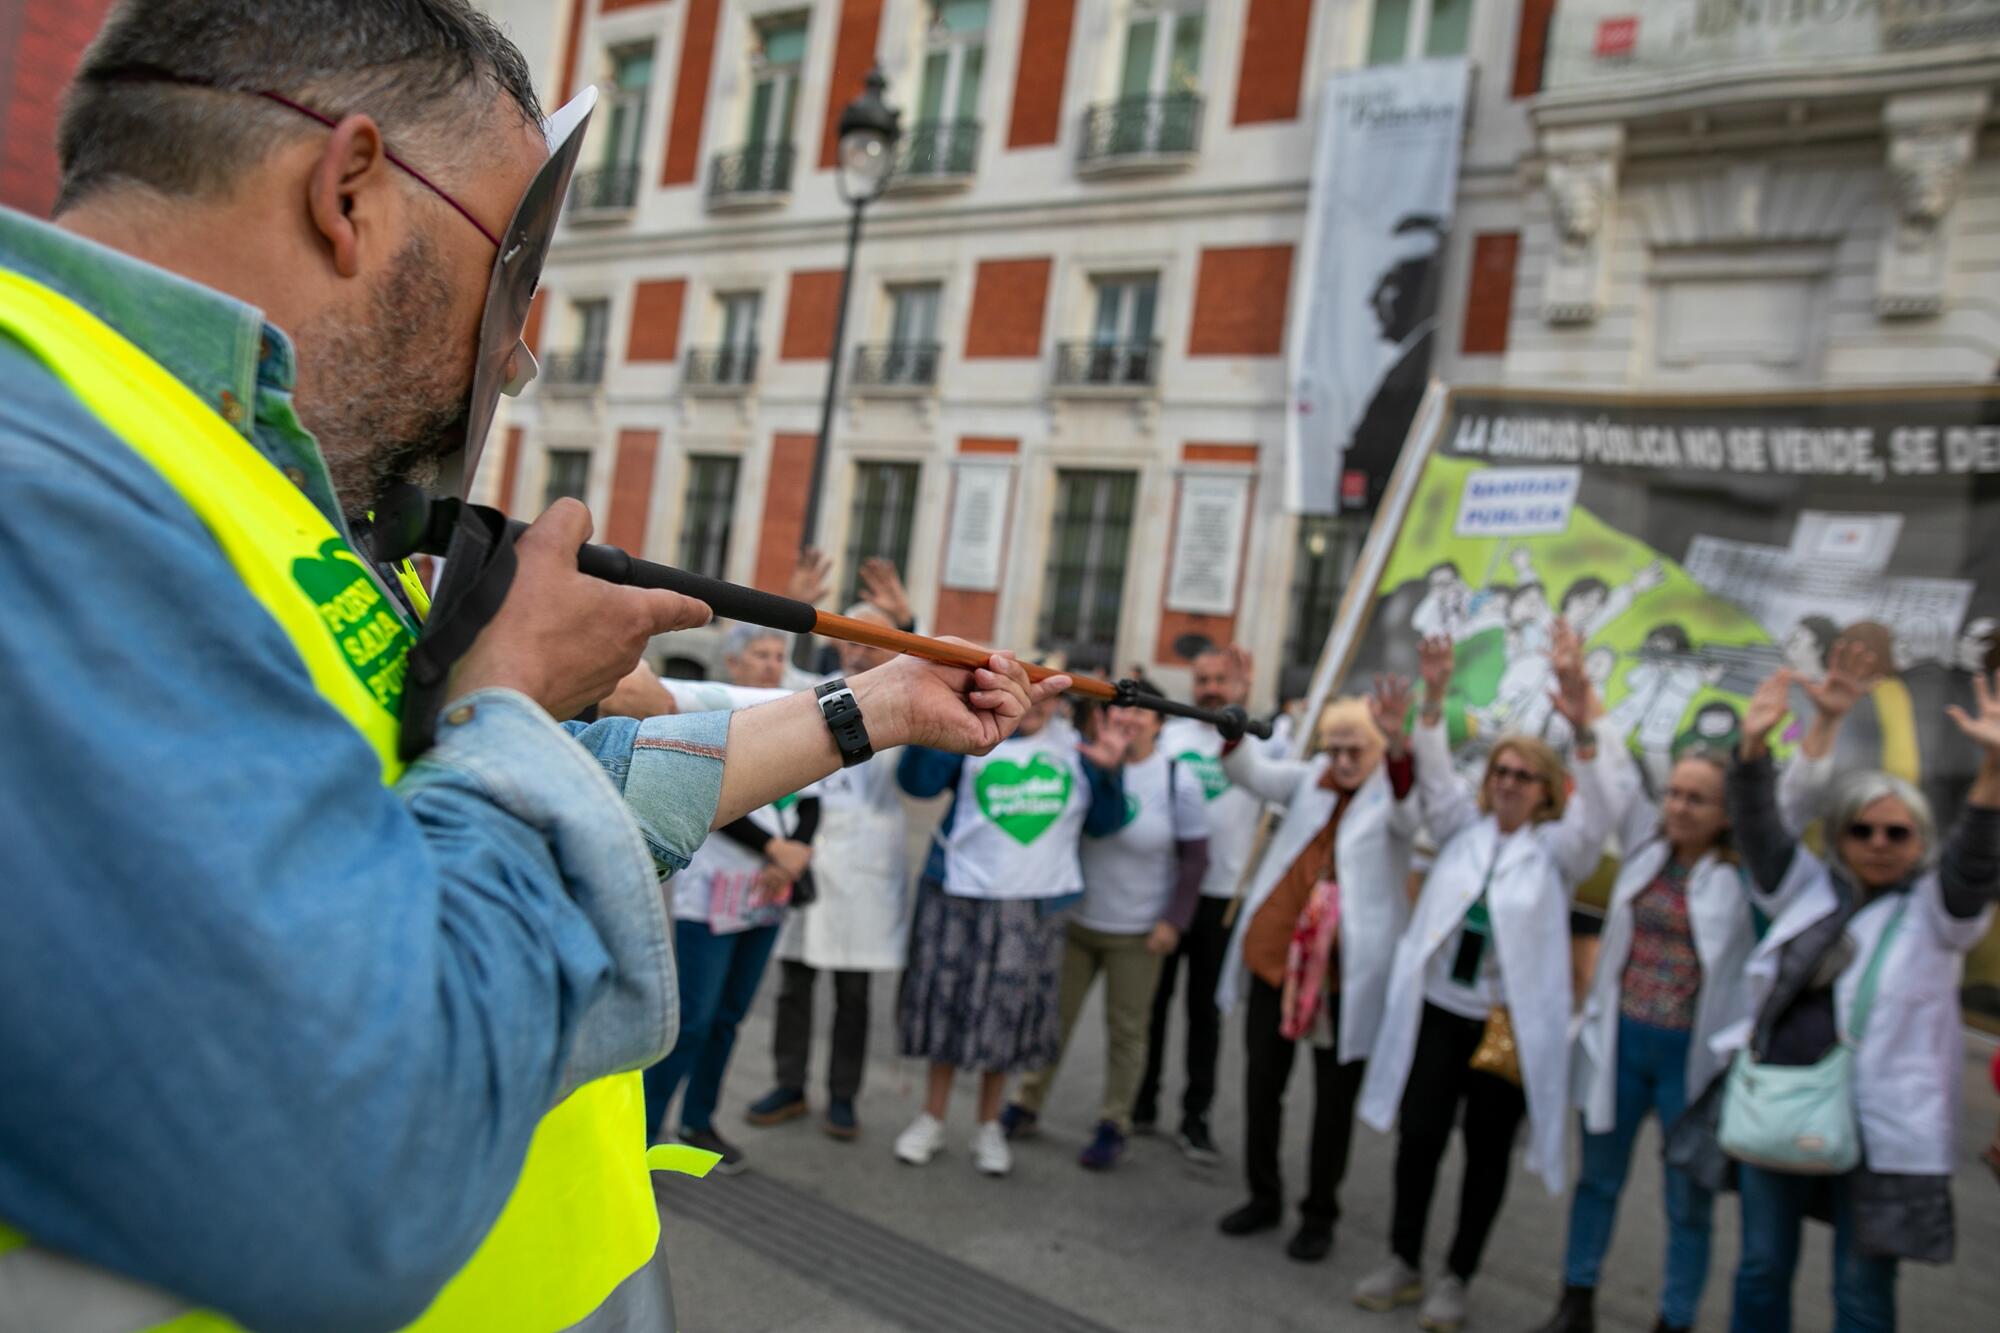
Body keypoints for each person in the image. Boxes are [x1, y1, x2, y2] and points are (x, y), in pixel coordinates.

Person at [0, 4, 1065, 1326]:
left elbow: (512, 797)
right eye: (509, 270)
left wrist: (878, 702)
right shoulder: (46, 485)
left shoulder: (216, 462)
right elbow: (346, 1153)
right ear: (350, 190)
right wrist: (507, 699)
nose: (517, 352)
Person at [1718, 667, 2000, 1333]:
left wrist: (1993, 772)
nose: (1878, 843)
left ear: (1920, 843)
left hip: (1882, 1130)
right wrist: (1753, 750)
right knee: (1760, 1268)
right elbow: (1759, 830)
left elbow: (1974, 863)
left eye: (1897, 833)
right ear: (1840, 836)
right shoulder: (1809, 890)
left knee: (1862, 1290)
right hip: (1782, 1109)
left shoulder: (1939, 914)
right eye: (1863, 830)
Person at [1355, 625, 1617, 1333]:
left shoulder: (1559, 852)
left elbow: (1601, 813)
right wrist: (1434, 699)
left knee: (1485, 1156)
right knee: (1420, 1138)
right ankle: (1403, 1258)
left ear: (1544, 792)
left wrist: (1585, 723)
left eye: (1522, 776)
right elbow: (1434, 776)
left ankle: (1456, 1276)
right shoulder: (1461, 830)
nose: (1506, 783)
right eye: (1500, 771)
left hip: (1503, 1024)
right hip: (1441, 1009)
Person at [1534, 715, 1799, 1333]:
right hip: (1622, 1043)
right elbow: (1609, 779)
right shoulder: (1646, 849)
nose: (1679, 807)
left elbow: (1795, 808)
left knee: (1688, 1202)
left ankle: (1675, 1318)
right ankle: (1576, 1299)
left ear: (1729, 811)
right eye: (1675, 793)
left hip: (1691, 1058)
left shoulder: (1745, 879)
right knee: (1598, 1181)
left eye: (1697, 798)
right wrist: (1583, 712)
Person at [1212, 680, 1420, 1263]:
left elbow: (1411, 810)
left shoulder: (1395, 798)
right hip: (1275, 962)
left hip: (1339, 979)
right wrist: (1234, 730)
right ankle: (1263, 1195)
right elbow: (1250, 774)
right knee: (1262, 1086)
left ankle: (1320, 1212)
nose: (1346, 761)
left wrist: (1402, 742)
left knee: (1332, 1104)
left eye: (1359, 750)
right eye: (1337, 749)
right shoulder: (1311, 782)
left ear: (1380, 750)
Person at [893, 685, 1129, 1177]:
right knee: (949, 1009)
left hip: (1031, 908)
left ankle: (989, 1125)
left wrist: (1110, 772)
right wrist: (932, 733)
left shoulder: (1076, 751)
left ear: (1061, 703)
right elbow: (917, 784)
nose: (1033, 707)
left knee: (1005, 1018)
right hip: (960, 897)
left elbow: (1104, 825)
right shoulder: (976, 738)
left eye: (1043, 697)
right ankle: (931, 1117)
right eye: (1023, 694)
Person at [1004, 693, 1209, 1169]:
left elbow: (1196, 860)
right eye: (1120, 709)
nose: (1128, 719)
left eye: (1141, 711)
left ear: (1160, 722)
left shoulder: (1179, 779)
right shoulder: (1082, 760)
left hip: (1138, 931)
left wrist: (1172, 921)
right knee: (1053, 1018)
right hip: (1077, 919)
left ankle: (1114, 1122)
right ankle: (1027, 1101)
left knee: (1127, 1031)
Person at [641, 625, 818, 1172]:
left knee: (729, 1016)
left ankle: (697, 1122)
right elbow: (709, 799)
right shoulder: (712, 720)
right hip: (714, 892)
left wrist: (796, 852)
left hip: (767, 893)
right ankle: (641, 1135)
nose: (770, 664)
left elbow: (815, 794)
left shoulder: (794, 717)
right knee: (692, 1018)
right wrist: (774, 848)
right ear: (733, 664)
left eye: (777, 655)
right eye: (759, 655)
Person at [748, 576, 915, 1141]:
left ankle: (843, 1096)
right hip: (810, 852)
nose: (860, 650)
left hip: (866, 862)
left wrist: (907, 630)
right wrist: (786, 599)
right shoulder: (816, 688)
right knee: (795, 981)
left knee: (853, 991)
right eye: (852, 639)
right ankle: (789, 1084)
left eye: (873, 640)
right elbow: (778, 670)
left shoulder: (905, 695)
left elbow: (924, 667)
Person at [1137, 642, 1262, 1161]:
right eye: (1203, 679)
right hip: (1168, 893)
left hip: (1223, 899)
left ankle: (1196, 1115)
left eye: (1221, 681)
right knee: (1151, 1005)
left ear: (1240, 687)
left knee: (1204, 1014)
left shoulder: (1259, 743)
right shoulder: (1173, 737)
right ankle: (1140, 1102)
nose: (1211, 689)